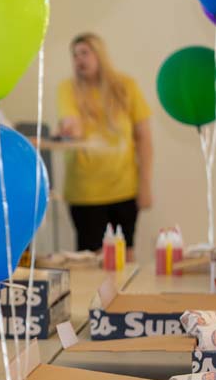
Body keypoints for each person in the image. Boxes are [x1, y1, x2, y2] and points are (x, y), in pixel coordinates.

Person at [55, 33, 153, 251]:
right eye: (75, 55)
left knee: (124, 259)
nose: (79, 59)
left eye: (84, 53)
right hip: (85, 193)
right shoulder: (67, 89)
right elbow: (71, 122)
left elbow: (144, 138)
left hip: (124, 189)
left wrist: (145, 184)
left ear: (100, 55)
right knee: (90, 265)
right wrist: (69, 128)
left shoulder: (126, 86)